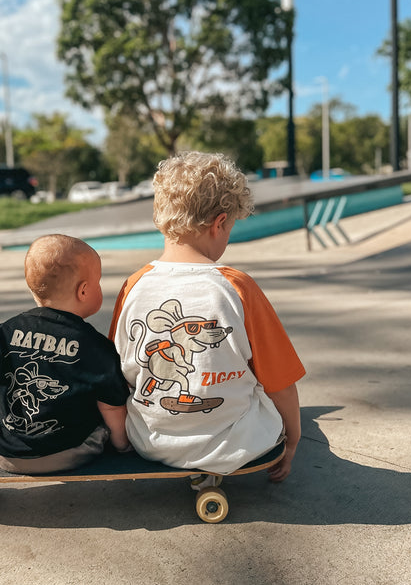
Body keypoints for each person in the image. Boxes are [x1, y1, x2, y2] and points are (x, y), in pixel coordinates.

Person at [109, 151, 305, 482]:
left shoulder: (134, 285)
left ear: (159, 217)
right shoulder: (236, 287)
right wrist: (293, 439)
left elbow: (121, 368)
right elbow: (281, 384)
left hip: (150, 442)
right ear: (219, 223)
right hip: (237, 446)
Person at [0, 234, 130, 473]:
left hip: (3, 451)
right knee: (103, 422)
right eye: (98, 282)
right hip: (69, 452)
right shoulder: (95, 347)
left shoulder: (0, 334)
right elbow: (112, 408)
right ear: (83, 291)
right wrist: (122, 446)